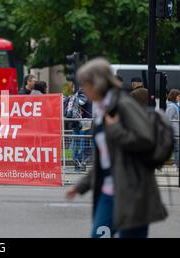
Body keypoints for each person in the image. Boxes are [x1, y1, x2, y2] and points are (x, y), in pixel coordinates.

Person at [65, 58, 168, 238]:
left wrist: (115, 130)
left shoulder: (124, 105)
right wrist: (81, 186)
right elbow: (105, 159)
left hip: (133, 192)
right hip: (108, 192)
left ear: (97, 84)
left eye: (85, 84)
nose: (84, 90)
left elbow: (146, 141)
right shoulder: (102, 109)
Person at [165, 89, 180, 169]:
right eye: (178, 96)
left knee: (175, 148)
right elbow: (168, 118)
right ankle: (177, 165)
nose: (179, 97)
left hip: (175, 130)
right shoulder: (171, 106)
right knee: (177, 149)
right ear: (174, 96)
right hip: (173, 130)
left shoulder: (176, 105)